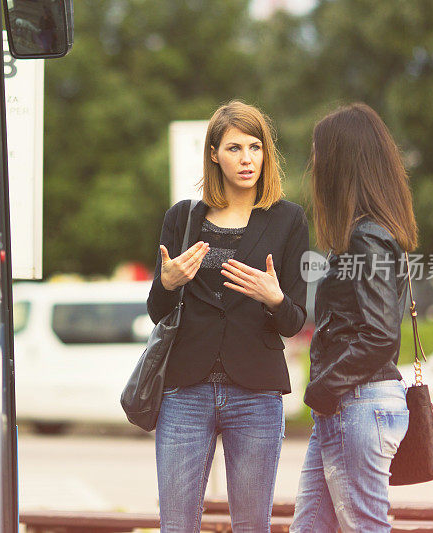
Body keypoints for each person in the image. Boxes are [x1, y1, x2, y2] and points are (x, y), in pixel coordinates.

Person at [148, 101, 309, 532]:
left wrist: (273, 298)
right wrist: (168, 282)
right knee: (177, 526)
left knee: (252, 526)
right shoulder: (182, 217)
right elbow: (156, 312)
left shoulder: (289, 219)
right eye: (235, 148)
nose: (246, 159)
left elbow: (294, 321)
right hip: (185, 389)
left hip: (256, 393)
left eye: (255, 147)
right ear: (214, 153)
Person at [290, 103, 418, 533]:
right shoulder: (367, 235)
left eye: (319, 154)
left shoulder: (367, 237)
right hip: (348, 405)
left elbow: (380, 335)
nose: (315, 165)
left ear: (343, 162)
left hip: (356, 404)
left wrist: (323, 388)